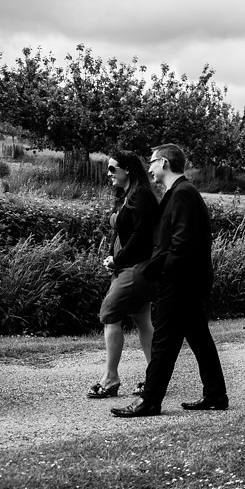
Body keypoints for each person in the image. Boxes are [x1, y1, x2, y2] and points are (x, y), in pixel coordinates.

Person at [111, 143, 227, 417]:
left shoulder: (183, 194)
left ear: (164, 162)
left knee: (163, 341)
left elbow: (181, 244)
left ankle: (150, 400)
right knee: (199, 338)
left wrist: (159, 271)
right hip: (184, 280)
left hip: (180, 281)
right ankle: (215, 395)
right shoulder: (178, 193)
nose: (149, 168)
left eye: (152, 162)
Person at [88, 151, 158, 399]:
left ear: (127, 169)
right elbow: (118, 233)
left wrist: (118, 259)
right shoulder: (125, 196)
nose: (108, 174)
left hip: (139, 266)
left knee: (109, 313)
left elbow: (141, 237)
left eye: (111, 169)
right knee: (142, 319)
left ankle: (110, 378)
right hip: (124, 266)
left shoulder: (142, 196)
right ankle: (154, 377)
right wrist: (111, 258)